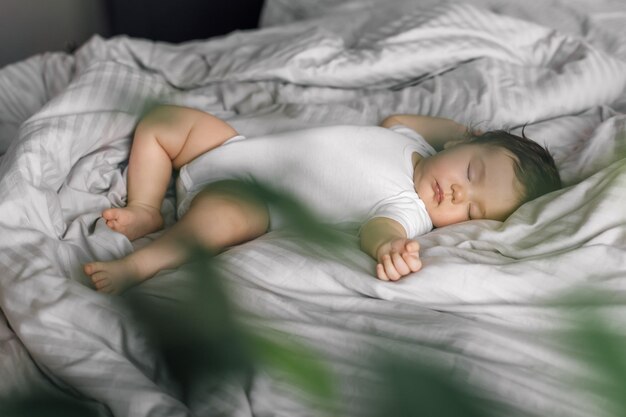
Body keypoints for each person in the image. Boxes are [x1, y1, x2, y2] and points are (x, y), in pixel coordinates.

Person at [83, 105, 561, 293]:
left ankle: (140, 265)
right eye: (472, 172)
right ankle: (146, 208)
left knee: (219, 223)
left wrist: (387, 249)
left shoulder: (409, 210)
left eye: (471, 210)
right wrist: (460, 132)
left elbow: (381, 230)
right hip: (228, 149)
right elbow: (396, 119)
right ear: (458, 146)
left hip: (251, 199)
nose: (459, 192)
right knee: (164, 120)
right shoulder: (411, 143)